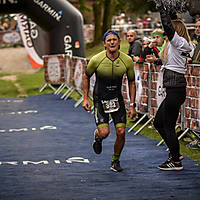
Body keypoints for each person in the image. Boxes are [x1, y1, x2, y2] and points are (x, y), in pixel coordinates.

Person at [82, 30, 137, 172]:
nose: (112, 42)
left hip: (117, 99)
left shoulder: (127, 60)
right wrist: (85, 97)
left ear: (119, 42)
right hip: (100, 100)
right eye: (109, 40)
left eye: (114, 40)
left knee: (121, 131)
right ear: (104, 44)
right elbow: (86, 76)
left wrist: (132, 105)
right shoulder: (96, 59)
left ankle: (115, 161)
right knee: (105, 132)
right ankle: (97, 136)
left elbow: (132, 82)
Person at [153, 4, 193, 171]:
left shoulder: (179, 42)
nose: (167, 35)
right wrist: (170, 11)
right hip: (175, 88)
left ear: (176, 31)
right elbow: (172, 63)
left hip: (175, 89)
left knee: (167, 125)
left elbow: (168, 27)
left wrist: (162, 8)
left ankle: (175, 160)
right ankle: (174, 151)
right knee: (158, 123)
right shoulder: (182, 45)